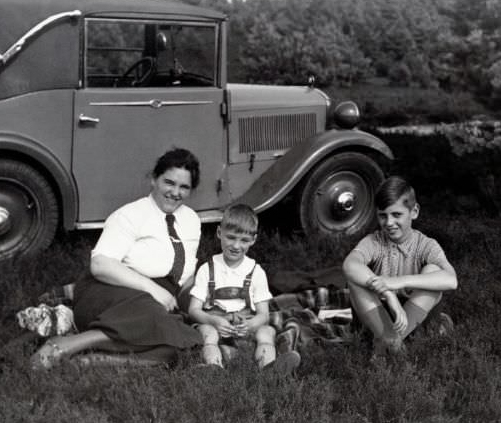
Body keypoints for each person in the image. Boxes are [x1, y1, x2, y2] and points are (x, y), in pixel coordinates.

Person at [33, 148, 203, 369]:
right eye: (169, 183)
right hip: (110, 292)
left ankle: (94, 361)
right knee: (156, 320)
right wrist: (154, 289)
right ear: (154, 179)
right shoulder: (130, 215)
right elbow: (100, 265)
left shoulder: (192, 221)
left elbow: (185, 274)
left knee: (184, 344)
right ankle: (66, 345)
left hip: (155, 301)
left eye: (184, 187)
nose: (175, 192)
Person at [342, 176, 458, 359]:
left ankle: (390, 343)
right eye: (382, 215)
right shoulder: (374, 241)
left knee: (434, 272)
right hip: (381, 315)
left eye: (396, 215)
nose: (388, 223)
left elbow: (451, 280)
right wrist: (389, 294)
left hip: (414, 318)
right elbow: (349, 265)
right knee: (355, 280)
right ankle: (392, 343)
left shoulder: (426, 245)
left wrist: (396, 282)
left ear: (414, 211)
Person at [187, 204, 301, 374]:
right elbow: (193, 309)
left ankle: (269, 369)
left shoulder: (255, 271)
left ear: (253, 240)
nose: (236, 245)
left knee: (266, 332)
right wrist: (213, 321)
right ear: (219, 233)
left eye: (244, 240)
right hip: (216, 321)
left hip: (245, 323)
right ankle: (214, 368)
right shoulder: (207, 268)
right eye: (231, 237)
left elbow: (264, 314)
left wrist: (251, 324)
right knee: (208, 334)